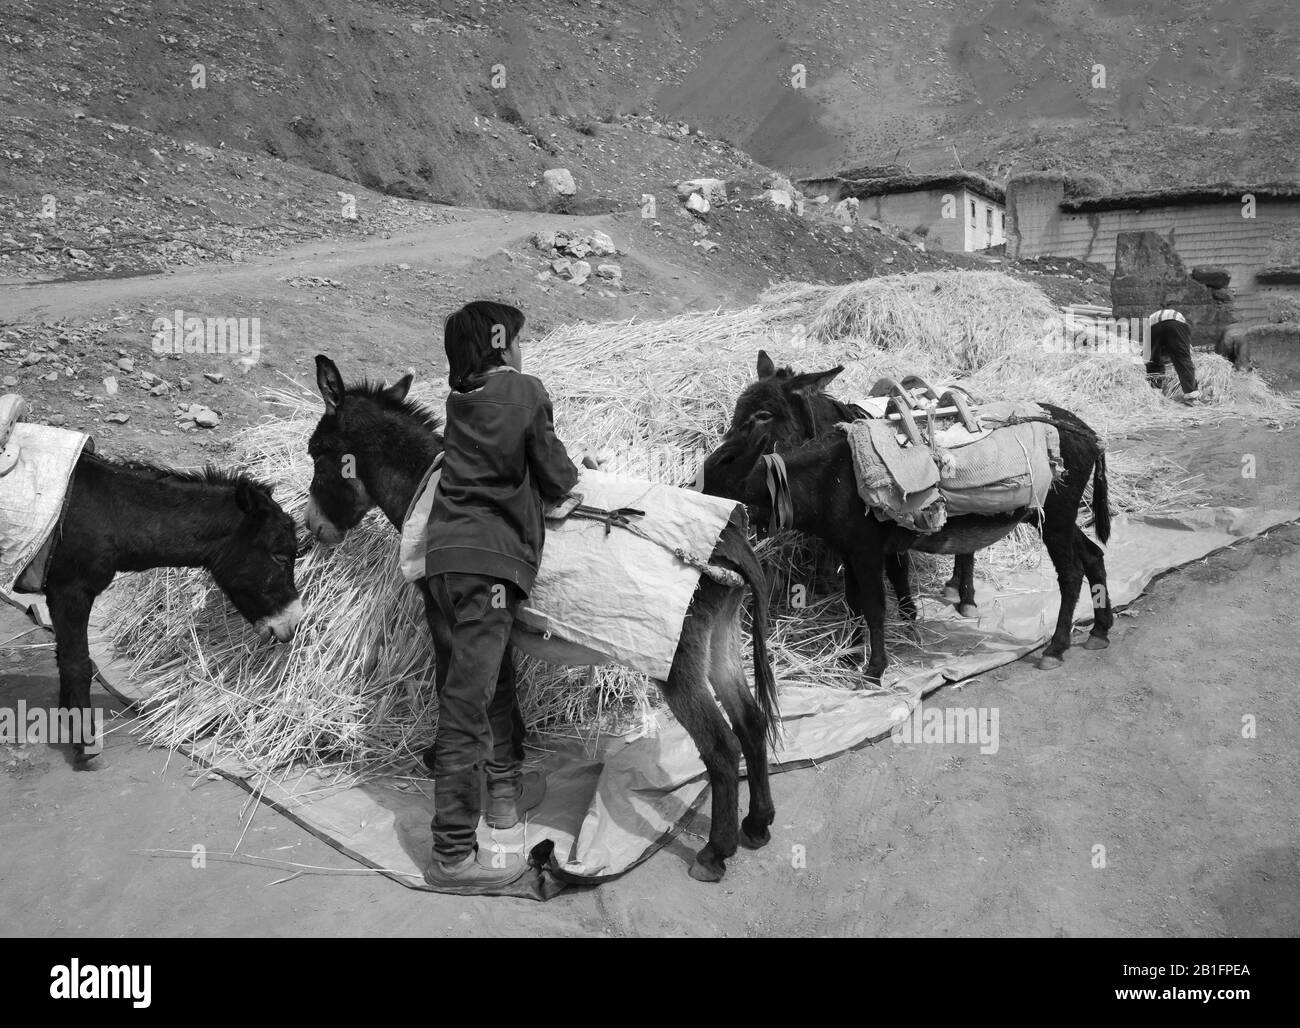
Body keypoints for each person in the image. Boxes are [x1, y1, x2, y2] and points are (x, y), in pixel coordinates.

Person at [422, 300, 582, 890]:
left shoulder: (459, 402)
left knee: (487, 682)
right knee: (467, 703)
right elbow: (558, 477)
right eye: (515, 339)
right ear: (500, 345)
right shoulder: (523, 391)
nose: (520, 347)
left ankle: (504, 804)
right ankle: (451, 855)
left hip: (442, 563)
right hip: (489, 570)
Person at [1145, 308, 1200, 403]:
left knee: (1153, 361)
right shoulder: (1182, 324)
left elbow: (1147, 353)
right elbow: (1185, 353)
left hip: (1153, 327)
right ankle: (1191, 396)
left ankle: (1155, 394)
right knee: (1183, 360)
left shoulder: (1149, 321)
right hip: (1175, 325)